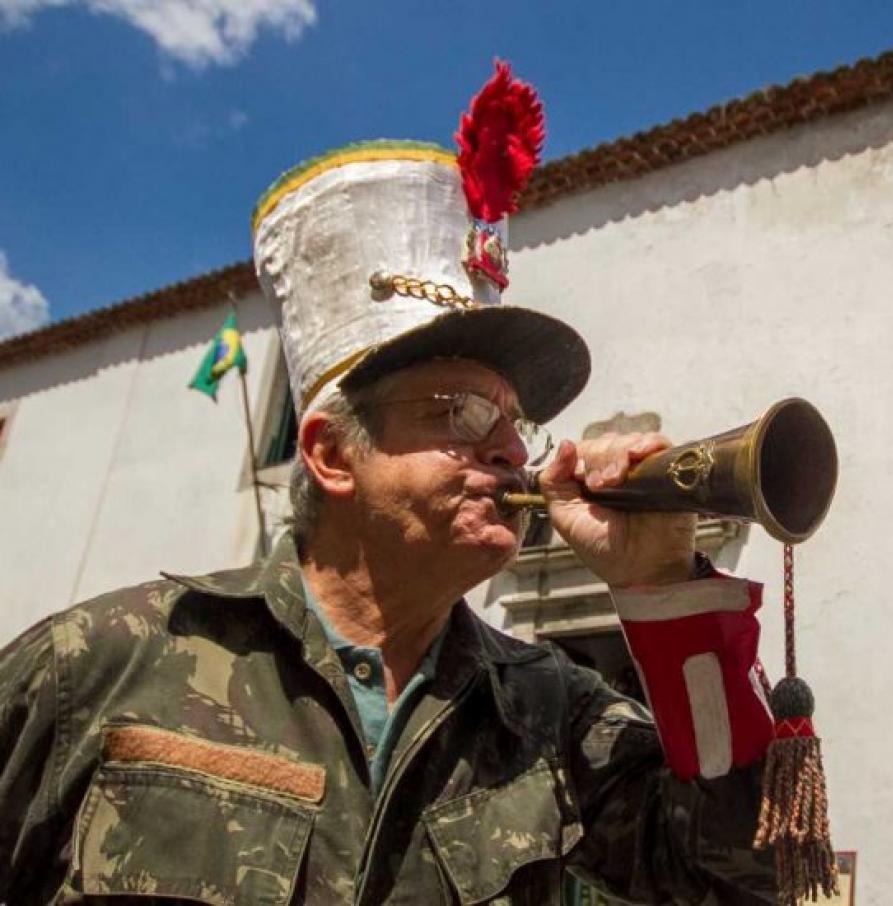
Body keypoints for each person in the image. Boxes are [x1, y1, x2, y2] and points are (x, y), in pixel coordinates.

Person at [0, 65, 778, 904]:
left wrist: (665, 593)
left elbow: (740, 876)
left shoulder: (557, 713)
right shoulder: (99, 665)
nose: (513, 451)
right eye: (464, 414)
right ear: (333, 455)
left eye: (515, 423)